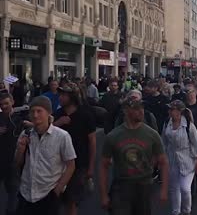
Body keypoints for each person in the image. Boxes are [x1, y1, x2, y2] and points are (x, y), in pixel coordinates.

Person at [99, 97, 169, 215]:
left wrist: (164, 190)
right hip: (121, 186)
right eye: (136, 108)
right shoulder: (113, 136)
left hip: (144, 185)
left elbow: (163, 161)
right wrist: (104, 195)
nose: (141, 111)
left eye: (142, 107)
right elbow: (103, 166)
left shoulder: (152, 134)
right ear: (126, 111)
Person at [15, 96, 76, 215]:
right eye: (32, 111)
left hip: (47, 195)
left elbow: (71, 165)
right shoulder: (26, 134)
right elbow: (17, 163)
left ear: (48, 113)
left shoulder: (62, 136)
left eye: (39, 111)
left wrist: (58, 190)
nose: (35, 115)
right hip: (26, 194)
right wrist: (20, 150)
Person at [53, 84, 96, 215]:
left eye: (64, 95)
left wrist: (91, 167)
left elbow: (92, 142)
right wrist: (57, 123)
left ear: (73, 97)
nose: (60, 97)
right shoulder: (57, 114)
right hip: (57, 164)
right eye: (60, 95)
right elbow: (46, 132)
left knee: (71, 201)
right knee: (54, 199)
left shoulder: (85, 114)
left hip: (78, 165)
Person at [162, 100, 197, 215]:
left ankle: (186, 210)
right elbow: (163, 141)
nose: (169, 111)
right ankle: (175, 211)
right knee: (174, 188)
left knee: (185, 188)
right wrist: (163, 157)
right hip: (172, 159)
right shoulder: (167, 123)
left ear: (179, 111)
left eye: (172, 109)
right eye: (169, 109)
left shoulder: (189, 126)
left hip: (187, 159)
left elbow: (196, 144)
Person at [0, 93, 25, 215]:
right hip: (1, 160)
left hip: (13, 161)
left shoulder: (19, 118)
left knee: (13, 191)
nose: (4, 106)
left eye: (6, 103)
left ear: (12, 102)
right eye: (2, 104)